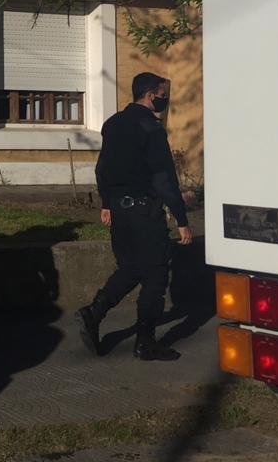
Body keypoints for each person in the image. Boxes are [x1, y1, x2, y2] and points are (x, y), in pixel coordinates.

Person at [77, 71, 193, 361]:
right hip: (144, 211)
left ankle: (93, 312)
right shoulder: (151, 128)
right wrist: (181, 219)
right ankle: (145, 342)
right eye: (163, 95)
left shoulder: (113, 124)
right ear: (151, 95)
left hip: (119, 210)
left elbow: (103, 168)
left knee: (130, 267)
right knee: (155, 273)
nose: (165, 100)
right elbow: (163, 178)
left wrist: (107, 202)